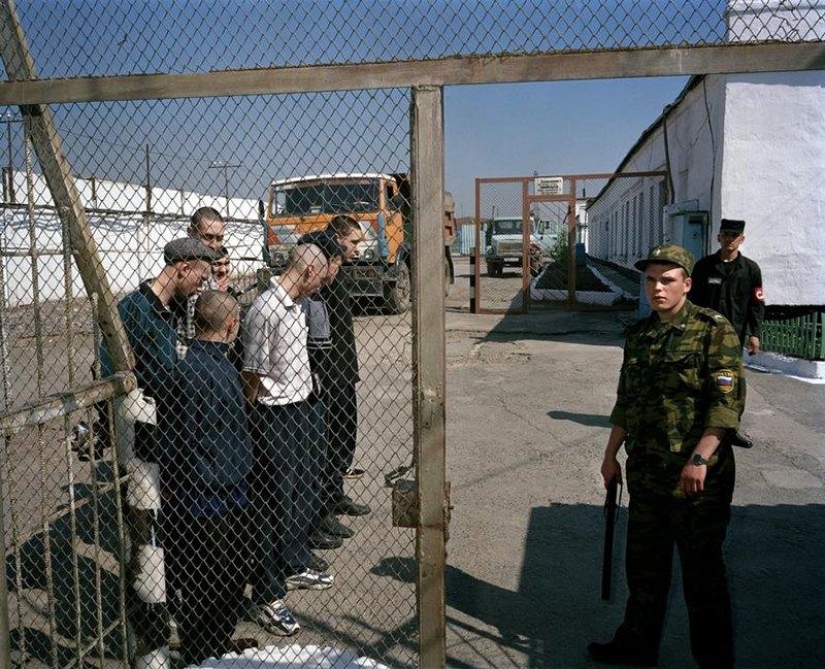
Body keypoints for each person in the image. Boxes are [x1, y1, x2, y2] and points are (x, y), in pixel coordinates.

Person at [589, 244, 745, 669]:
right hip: (648, 474)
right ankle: (635, 649)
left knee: (702, 579)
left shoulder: (714, 330)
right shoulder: (639, 336)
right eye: (651, 280)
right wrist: (609, 456)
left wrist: (699, 459)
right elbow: (626, 402)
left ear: (687, 284)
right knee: (644, 572)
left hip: (697, 479)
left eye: (667, 280)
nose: (657, 288)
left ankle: (714, 662)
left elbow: (725, 405)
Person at [241, 242, 334, 637]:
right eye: (320, 277)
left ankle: (290, 564)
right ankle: (266, 593)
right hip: (272, 416)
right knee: (273, 504)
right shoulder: (265, 309)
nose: (321, 285)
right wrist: (250, 421)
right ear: (308, 273)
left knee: (297, 496)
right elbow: (251, 374)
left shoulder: (296, 305)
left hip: (298, 409)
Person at [162, 291, 255, 665]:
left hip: (223, 491)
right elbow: (180, 438)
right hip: (206, 497)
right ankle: (202, 653)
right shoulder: (198, 372)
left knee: (225, 577)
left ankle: (214, 645)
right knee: (208, 584)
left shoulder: (206, 366)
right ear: (231, 326)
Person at [295, 230, 353, 558]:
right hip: (310, 391)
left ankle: (322, 513)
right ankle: (310, 526)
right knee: (307, 466)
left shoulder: (328, 291)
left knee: (325, 453)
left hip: (326, 385)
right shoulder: (307, 299)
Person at [689, 217, 764, 448]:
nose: (729, 240)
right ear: (718, 237)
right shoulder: (703, 267)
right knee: (700, 380)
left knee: (729, 383)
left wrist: (755, 333)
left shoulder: (750, 269)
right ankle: (700, 427)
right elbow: (692, 301)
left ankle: (730, 429)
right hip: (705, 334)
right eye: (726, 235)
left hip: (734, 337)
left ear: (742, 239)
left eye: (734, 236)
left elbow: (756, 303)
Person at [319, 215, 371, 519]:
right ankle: (325, 502)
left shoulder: (338, 271)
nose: (357, 249)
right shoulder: (322, 273)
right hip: (329, 373)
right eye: (353, 242)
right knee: (330, 438)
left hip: (343, 371)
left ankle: (335, 494)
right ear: (337, 237)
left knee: (344, 435)